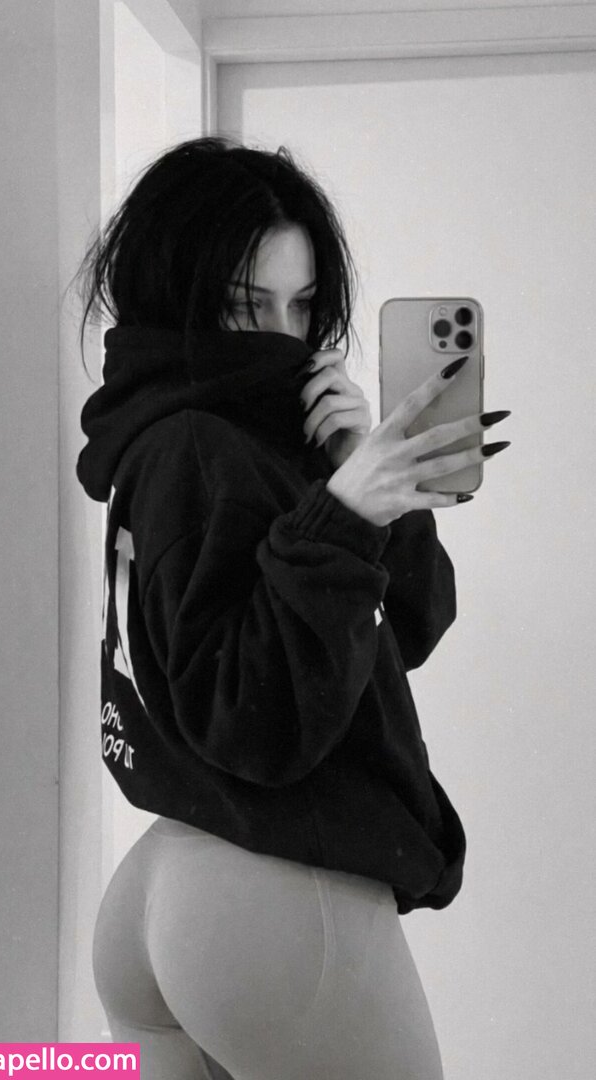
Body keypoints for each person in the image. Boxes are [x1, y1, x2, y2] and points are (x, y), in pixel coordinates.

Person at [76, 137, 510, 1080]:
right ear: (177, 296)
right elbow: (256, 722)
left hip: (179, 876)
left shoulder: (226, 439)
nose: (282, 336)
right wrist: (343, 514)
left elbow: (408, 628)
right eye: (247, 306)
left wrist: (356, 479)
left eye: (304, 305)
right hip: (269, 898)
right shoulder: (196, 447)